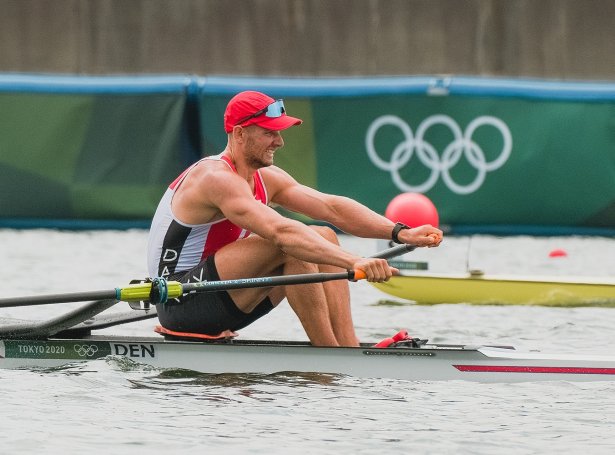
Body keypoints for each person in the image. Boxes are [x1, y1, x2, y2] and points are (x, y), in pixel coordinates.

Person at [147, 90, 443, 347]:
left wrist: (400, 232)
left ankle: (346, 349)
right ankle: (332, 360)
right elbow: (280, 232)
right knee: (290, 243)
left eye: (279, 132)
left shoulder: (265, 178)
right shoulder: (215, 178)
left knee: (323, 234)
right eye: (269, 132)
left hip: (218, 295)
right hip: (178, 300)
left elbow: (331, 208)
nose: (279, 142)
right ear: (239, 133)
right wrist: (354, 261)